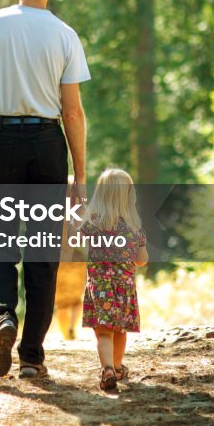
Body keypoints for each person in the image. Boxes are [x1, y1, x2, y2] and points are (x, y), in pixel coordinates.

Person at [0, 0, 90, 379]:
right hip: (48, 145)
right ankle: (32, 356)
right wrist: (80, 174)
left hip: (2, 139)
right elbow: (72, 111)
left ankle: (4, 319)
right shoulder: (64, 34)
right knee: (41, 250)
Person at [78, 167, 148, 392]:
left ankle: (107, 368)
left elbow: (75, 243)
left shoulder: (92, 224)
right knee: (120, 329)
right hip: (124, 288)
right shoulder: (134, 228)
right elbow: (141, 261)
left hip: (99, 287)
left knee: (103, 331)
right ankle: (117, 367)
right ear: (129, 196)